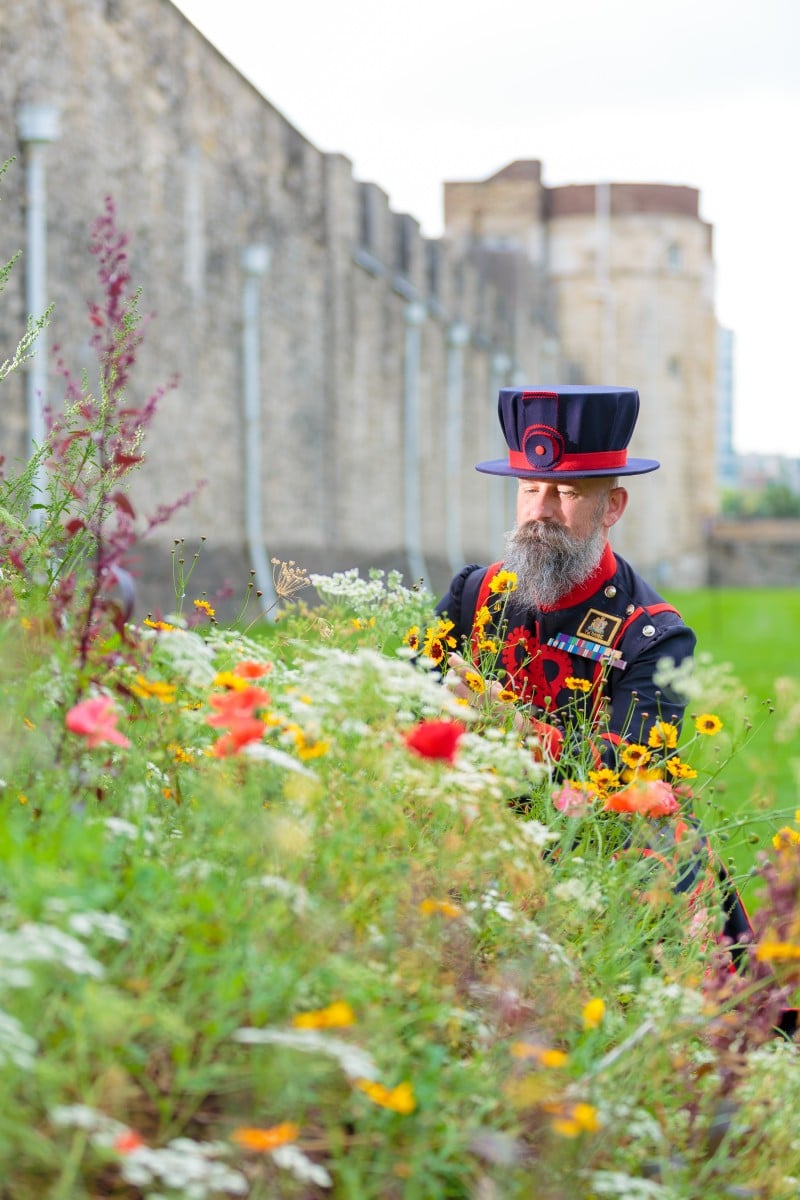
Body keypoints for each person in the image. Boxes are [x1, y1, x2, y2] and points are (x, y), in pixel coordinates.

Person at [437, 385, 696, 765]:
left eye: (565, 492)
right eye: (529, 489)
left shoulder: (653, 636)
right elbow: (407, 703)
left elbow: (629, 768)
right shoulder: (473, 593)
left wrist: (517, 729)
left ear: (612, 506)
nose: (539, 510)